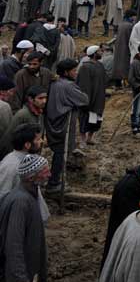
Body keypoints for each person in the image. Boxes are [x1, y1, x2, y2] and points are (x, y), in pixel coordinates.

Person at [0, 155, 50, 282]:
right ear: (31, 177)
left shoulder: (28, 196)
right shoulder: (21, 202)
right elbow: (13, 243)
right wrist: (20, 278)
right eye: (45, 171)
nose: (49, 174)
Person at [45, 58, 88, 193]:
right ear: (66, 72)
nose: (76, 73)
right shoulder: (68, 86)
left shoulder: (54, 83)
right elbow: (84, 99)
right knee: (61, 153)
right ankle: (54, 183)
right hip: (63, 125)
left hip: (52, 122)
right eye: (74, 70)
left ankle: (54, 181)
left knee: (58, 152)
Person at [77, 45, 108, 149]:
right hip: (89, 99)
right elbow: (83, 85)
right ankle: (82, 140)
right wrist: (85, 100)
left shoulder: (100, 65)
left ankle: (90, 138)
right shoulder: (85, 67)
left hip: (99, 97)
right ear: (94, 54)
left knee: (96, 120)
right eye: (99, 51)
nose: (101, 52)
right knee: (85, 119)